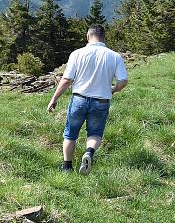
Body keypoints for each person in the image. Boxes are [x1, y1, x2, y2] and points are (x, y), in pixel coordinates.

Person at [47, 24, 128, 175]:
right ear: (104, 37)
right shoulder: (114, 56)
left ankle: (67, 166)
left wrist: (54, 98)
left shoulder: (77, 54)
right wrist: (114, 89)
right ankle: (89, 152)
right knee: (95, 133)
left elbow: (66, 79)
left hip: (79, 99)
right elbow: (123, 80)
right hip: (101, 101)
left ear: (88, 36)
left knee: (70, 133)